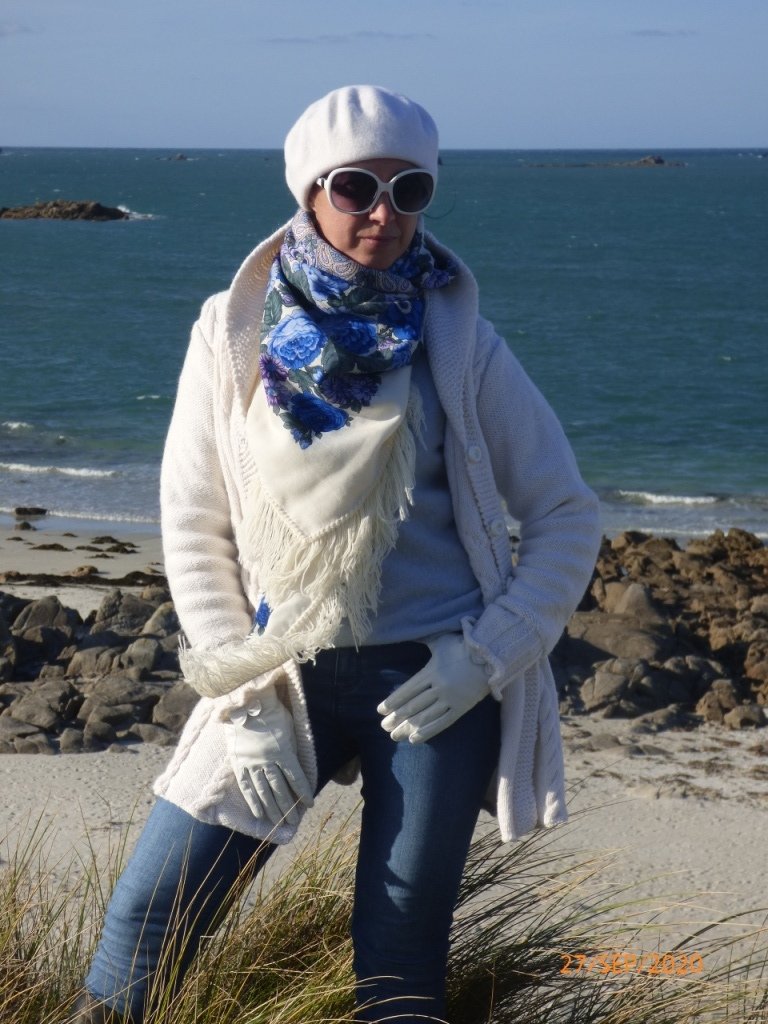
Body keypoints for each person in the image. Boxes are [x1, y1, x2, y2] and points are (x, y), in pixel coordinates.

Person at [70, 85, 601, 1024]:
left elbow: (564, 513)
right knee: (143, 928)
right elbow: (195, 522)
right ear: (309, 190)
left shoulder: (462, 344)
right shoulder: (232, 330)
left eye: (410, 190)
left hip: (430, 683)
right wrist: (240, 694)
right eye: (356, 186)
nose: (383, 214)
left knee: (398, 963)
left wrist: (486, 657)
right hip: (277, 676)